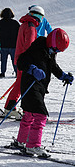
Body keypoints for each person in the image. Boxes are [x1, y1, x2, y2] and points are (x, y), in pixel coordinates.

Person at [11, 28, 73, 157]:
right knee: (40, 114)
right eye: (56, 49)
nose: (55, 52)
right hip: (30, 85)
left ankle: (21, 142)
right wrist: (32, 69)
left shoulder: (50, 51)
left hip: (40, 87)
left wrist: (63, 76)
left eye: (58, 51)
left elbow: (53, 66)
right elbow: (21, 60)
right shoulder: (37, 47)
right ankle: (33, 146)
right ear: (51, 42)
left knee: (29, 114)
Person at [0, 5, 45, 119]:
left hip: (20, 59)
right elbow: (29, 46)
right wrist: (31, 63)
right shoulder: (30, 27)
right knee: (22, 85)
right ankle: (14, 108)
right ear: (37, 16)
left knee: (19, 84)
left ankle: (9, 108)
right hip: (24, 61)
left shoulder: (25, 24)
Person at [0, 8, 20, 78]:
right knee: (14, 60)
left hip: (4, 45)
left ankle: (2, 73)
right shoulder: (15, 23)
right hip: (13, 45)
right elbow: (19, 33)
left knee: (3, 60)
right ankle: (17, 73)